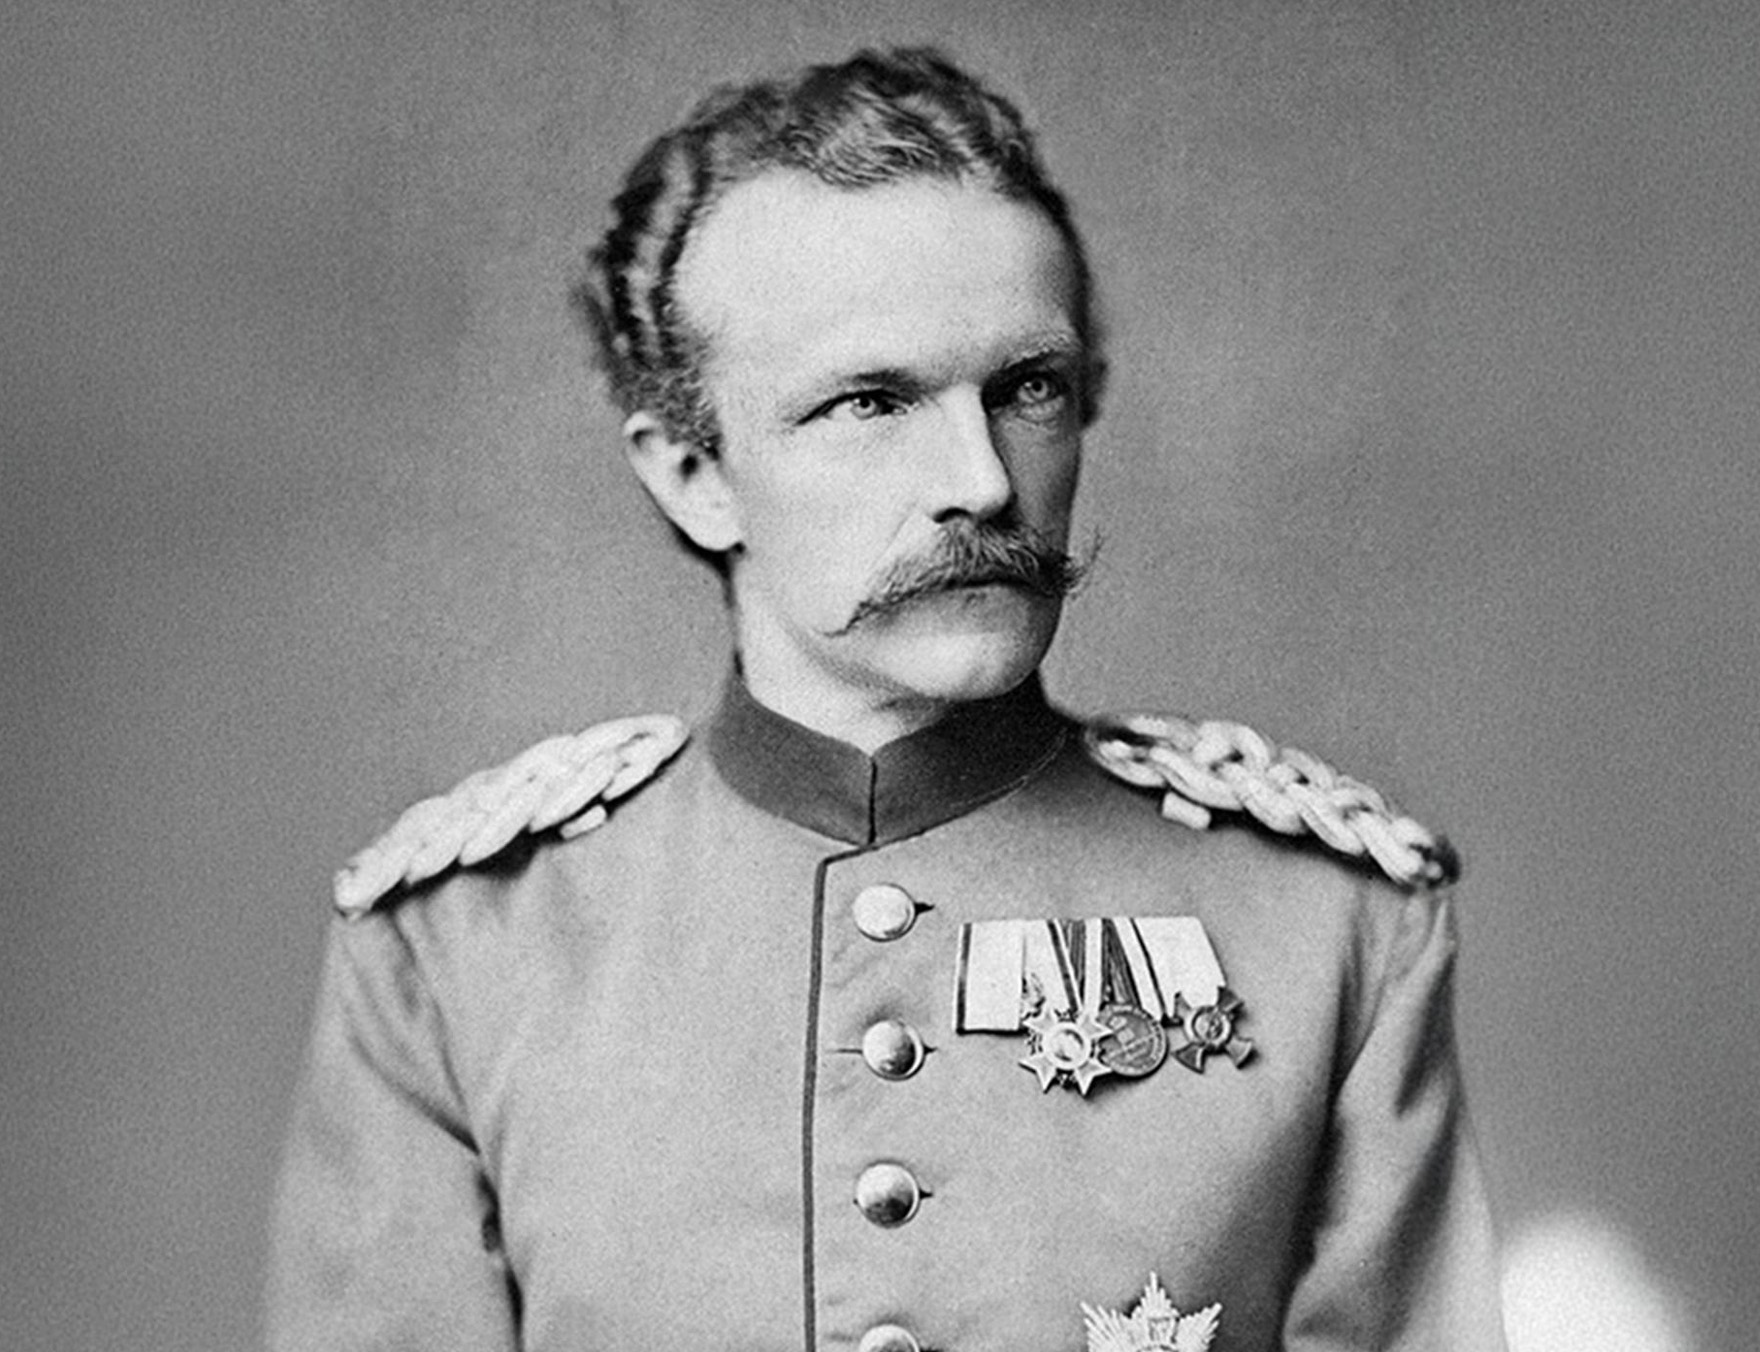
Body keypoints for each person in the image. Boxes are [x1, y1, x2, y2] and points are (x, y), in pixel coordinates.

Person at [267, 47, 1506, 1352]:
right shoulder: (461, 949)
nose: (982, 481)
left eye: (1028, 389)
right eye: (872, 402)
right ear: (694, 476)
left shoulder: (1326, 924)